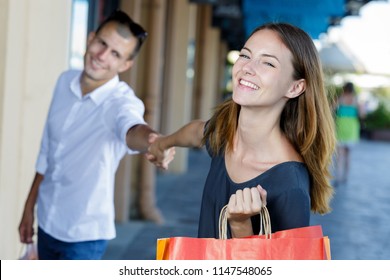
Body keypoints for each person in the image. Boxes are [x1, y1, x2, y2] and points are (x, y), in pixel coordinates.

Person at [147, 22, 336, 239]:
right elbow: (196, 132)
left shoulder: (290, 186)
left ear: (295, 87)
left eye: (268, 63)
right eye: (245, 55)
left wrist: (240, 225)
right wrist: (162, 144)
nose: (247, 68)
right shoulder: (225, 132)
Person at [18, 10, 174, 260]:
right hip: (47, 221)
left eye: (115, 54)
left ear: (125, 65)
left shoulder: (120, 102)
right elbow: (47, 151)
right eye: (102, 43)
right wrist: (29, 208)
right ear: (90, 39)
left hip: (84, 237)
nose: (102, 56)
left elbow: (132, 127)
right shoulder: (64, 81)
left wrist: (153, 141)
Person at [334, 82, 362, 186]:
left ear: (344, 88)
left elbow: (330, 108)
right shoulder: (356, 100)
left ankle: (338, 177)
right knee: (348, 155)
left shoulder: (340, 98)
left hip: (341, 128)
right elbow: (362, 114)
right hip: (352, 130)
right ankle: (346, 177)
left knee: (340, 155)